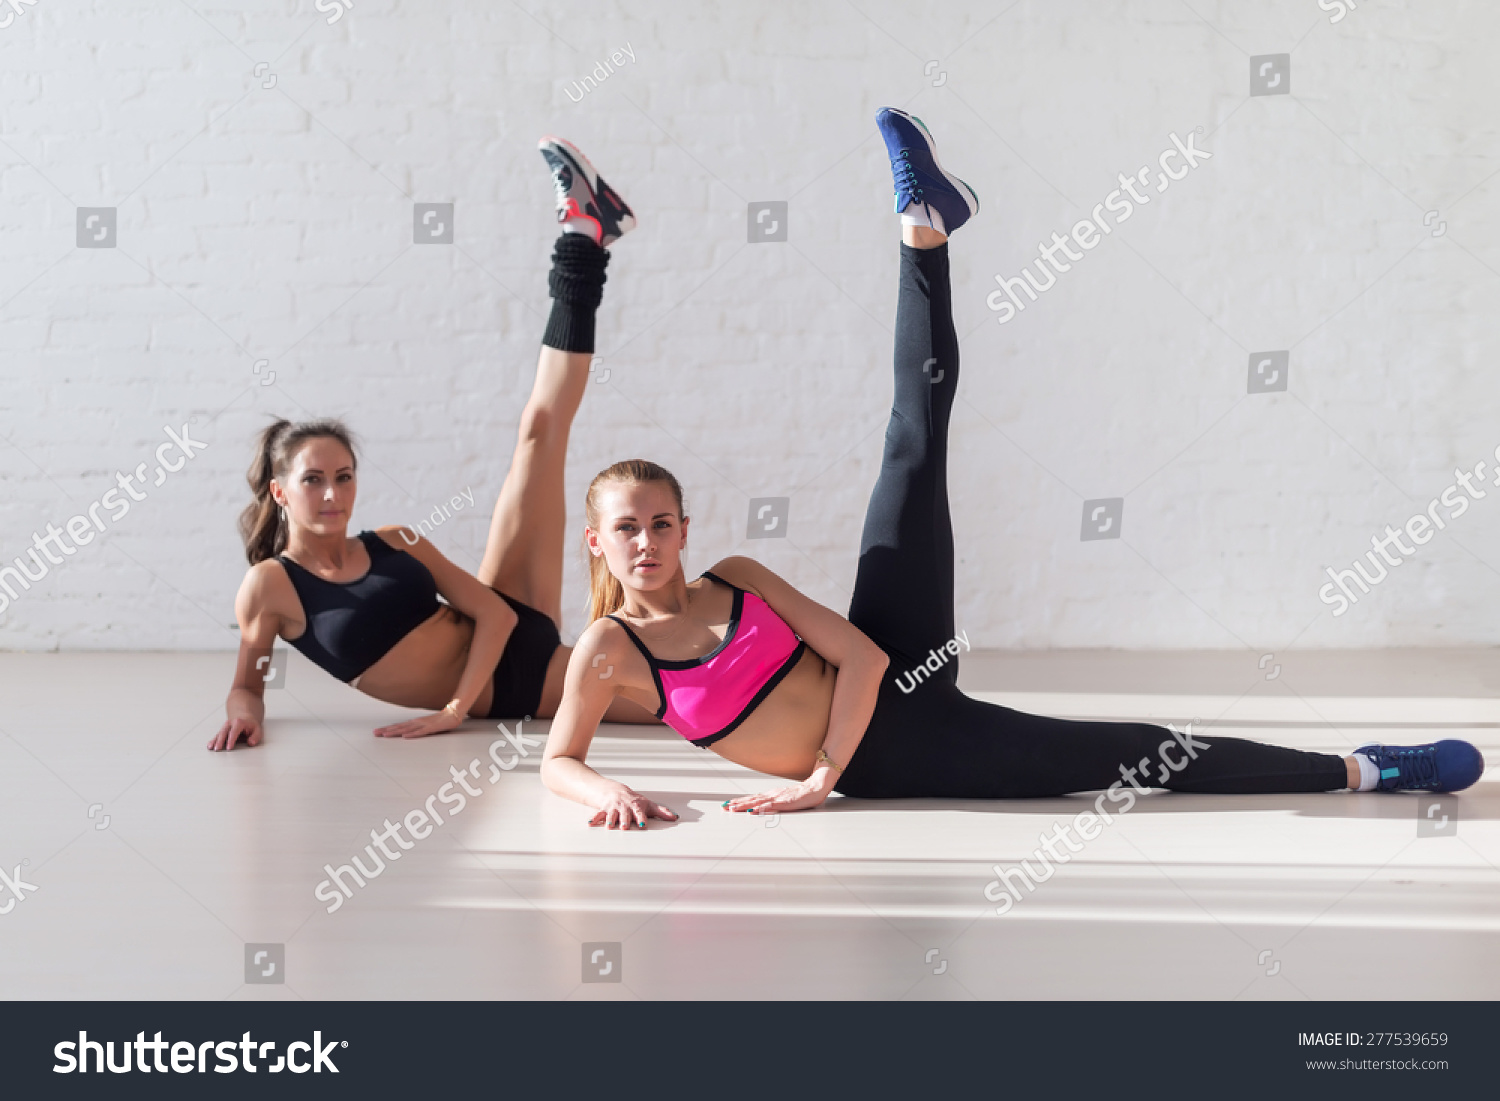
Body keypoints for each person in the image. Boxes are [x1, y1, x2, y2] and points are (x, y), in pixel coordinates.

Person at [539, 108, 1485, 826]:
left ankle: (924, 227)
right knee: (1144, 755)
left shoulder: (735, 579)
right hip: (908, 759)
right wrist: (607, 787)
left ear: (684, 527)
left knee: (912, 446)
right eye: (628, 526)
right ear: (600, 542)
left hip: (892, 688)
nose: (649, 539)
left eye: (663, 520)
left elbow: (863, 655)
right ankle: (1369, 767)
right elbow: (557, 759)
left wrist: (821, 771)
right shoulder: (608, 653)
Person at [211, 137, 657, 750]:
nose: (333, 493)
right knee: (668, 701)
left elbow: (497, 615)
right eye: (313, 480)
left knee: (538, 429)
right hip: (516, 683)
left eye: (344, 476)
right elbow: (248, 685)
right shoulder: (270, 587)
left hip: (507, 646)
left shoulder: (396, 542)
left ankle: (584, 236)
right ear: (280, 491)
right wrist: (247, 714)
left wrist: (454, 709)